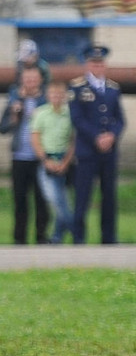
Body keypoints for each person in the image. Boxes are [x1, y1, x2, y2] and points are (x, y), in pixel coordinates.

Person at [69, 45, 125, 245]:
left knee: (109, 195)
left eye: (100, 63)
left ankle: (108, 237)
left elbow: (119, 119)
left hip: (108, 151)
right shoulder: (77, 87)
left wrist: (112, 135)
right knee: (83, 194)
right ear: (87, 64)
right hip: (87, 150)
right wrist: (96, 137)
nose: (97, 66)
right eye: (94, 62)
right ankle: (79, 237)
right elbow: (77, 118)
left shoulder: (112, 88)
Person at [0, 65, 49, 244]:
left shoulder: (45, 102)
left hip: (40, 157)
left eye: (34, 79)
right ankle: (19, 239)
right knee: (20, 200)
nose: (31, 83)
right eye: (27, 79)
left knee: (41, 200)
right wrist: (13, 116)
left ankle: (41, 236)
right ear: (22, 81)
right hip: (19, 157)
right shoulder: (15, 101)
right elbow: (2, 128)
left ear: (40, 81)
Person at [29, 82, 75, 244]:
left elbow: (72, 141)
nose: (56, 98)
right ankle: (75, 228)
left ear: (64, 96)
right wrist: (45, 160)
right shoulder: (41, 113)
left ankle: (57, 237)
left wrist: (66, 162)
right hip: (47, 160)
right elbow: (35, 139)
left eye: (59, 94)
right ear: (48, 96)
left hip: (63, 159)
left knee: (62, 199)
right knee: (53, 198)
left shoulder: (70, 114)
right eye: (53, 94)